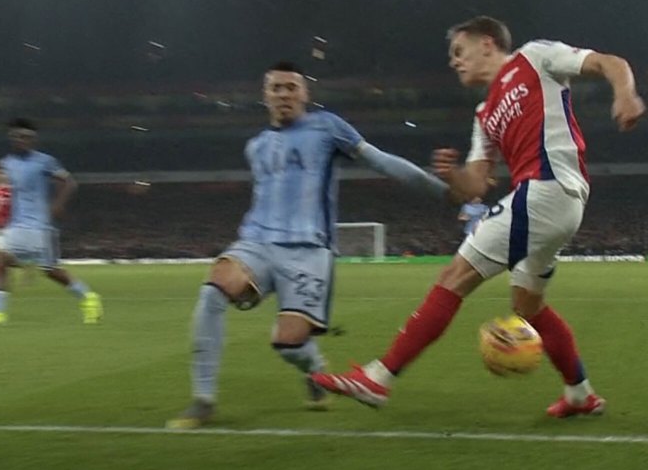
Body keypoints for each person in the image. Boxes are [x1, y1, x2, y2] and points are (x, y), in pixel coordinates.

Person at [312, 16, 646, 418]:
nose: (454, 62)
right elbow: (473, 186)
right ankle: (580, 394)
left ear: (487, 43)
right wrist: (452, 175)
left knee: (455, 276)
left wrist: (625, 95)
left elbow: (611, 62)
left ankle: (378, 378)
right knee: (528, 307)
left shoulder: (534, 57)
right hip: (551, 200)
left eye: (459, 51)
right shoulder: (484, 113)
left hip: (547, 187)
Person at [167, 61, 451, 429]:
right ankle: (203, 399)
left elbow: (381, 161)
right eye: (276, 88)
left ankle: (313, 367)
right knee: (212, 292)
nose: (284, 94)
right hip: (257, 240)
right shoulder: (256, 147)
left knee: (288, 343)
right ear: (265, 96)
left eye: (291, 87)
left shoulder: (327, 127)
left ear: (305, 93)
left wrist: (442, 191)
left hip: (309, 250)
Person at [0, 118, 102, 326]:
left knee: (48, 270)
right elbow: (3, 193)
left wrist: (58, 205)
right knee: (7, 263)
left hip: (39, 225)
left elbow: (69, 182)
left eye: (27, 137)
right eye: (17, 137)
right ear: (11, 139)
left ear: (34, 140)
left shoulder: (44, 161)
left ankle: (87, 296)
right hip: (17, 224)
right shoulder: (5, 163)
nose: (22, 140)